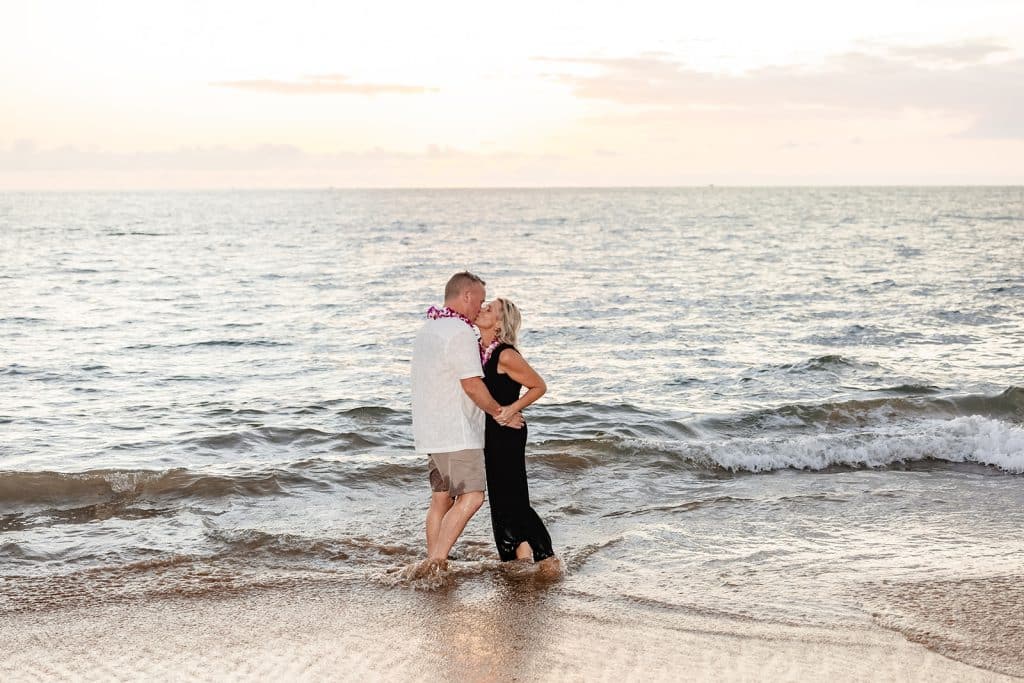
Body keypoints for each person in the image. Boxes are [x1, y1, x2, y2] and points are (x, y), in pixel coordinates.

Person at [411, 272, 522, 570]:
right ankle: (436, 562)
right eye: (481, 300)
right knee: (472, 497)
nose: (481, 307)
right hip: (456, 432)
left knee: (441, 499)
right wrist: (501, 413)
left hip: (430, 432)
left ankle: (433, 560)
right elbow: (472, 385)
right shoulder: (460, 333)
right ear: (467, 296)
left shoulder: (429, 329)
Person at [474, 297, 560, 574]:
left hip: (508, 433)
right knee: (499, 500)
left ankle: (547, 557)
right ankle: (517, 558)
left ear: (499, 323)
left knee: (514, 498)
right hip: (489, 432)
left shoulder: (506, 355)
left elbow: (538, 386)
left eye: (489, 309)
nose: (482, 308)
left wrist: (512, 409)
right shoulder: (477, 349)